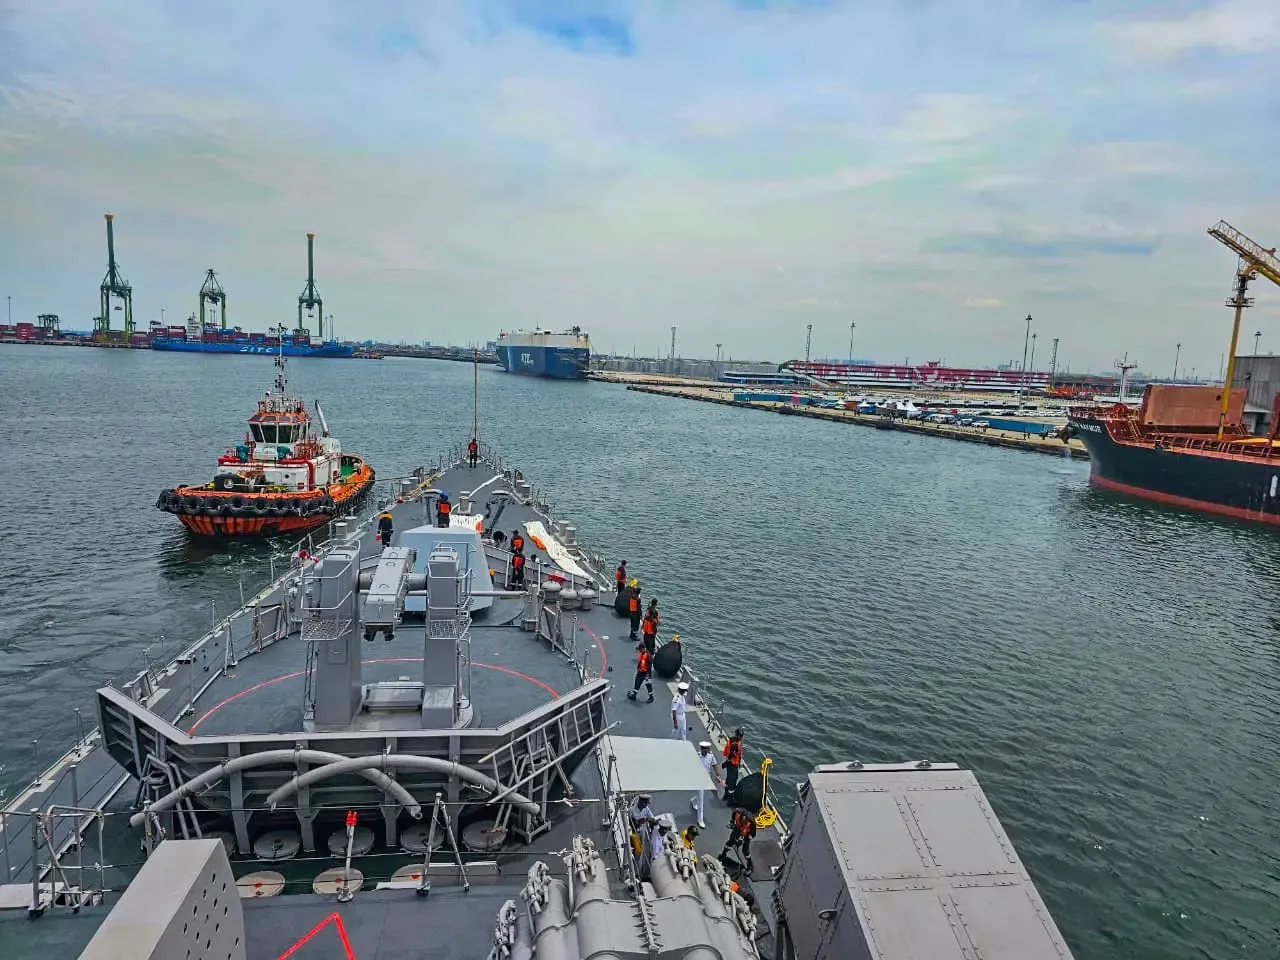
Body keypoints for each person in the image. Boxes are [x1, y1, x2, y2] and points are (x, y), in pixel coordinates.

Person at [690, 740, 722, 829]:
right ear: (701, 749)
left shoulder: (711, 756)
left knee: (703, 795)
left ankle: (694, 801)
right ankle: (700, 820)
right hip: (698, 778)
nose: (706, 750)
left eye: (707, 748)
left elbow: (714, 765)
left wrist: (718, 775)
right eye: (705, 748)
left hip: (707, 778)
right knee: (701, 799)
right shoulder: (697, 756)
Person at [721, 808, 756, 876]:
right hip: (737, 828)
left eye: (745, 822)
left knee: (745, 851)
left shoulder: (752, 822)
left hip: (747, 834)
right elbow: (734, 813)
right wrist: (732, 821)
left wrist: (743, 840)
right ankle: (723, 854)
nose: (743, 823)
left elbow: (753, 835)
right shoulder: (737, 812)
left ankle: (750, 866)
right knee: (729, 842)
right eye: (742, 821)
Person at [722, 728, 744, 804]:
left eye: (741, 735)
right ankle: (729, 800)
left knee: (728, 779)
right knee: (732, 782)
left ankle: (725, 796)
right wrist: (726, 762)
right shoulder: (736, 744)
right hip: (733, 764)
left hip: (732, 763)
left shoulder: (731, 740)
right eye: (740, 735)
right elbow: (731, 755)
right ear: (737, 735)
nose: (741, 737)